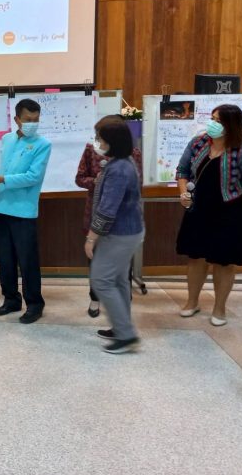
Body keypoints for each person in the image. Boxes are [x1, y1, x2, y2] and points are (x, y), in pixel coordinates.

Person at [176, 105, 242, 326]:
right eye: (212, 118)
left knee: (224, 261)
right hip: (198, 208)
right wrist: (183, 193)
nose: (212, 124)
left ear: (231, 125)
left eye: (218, 121)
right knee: (195, 257)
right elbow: (183, 170)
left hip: (231, 212)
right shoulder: (198, 143)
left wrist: (236, 188)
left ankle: (219, 309)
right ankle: (192, 302)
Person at [0, 99, 52, 324]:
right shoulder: (8, 139)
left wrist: (0, 178)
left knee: (27, 261)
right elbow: (7, 169)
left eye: (36, 119)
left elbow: (33, 177)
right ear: (17, 119)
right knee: (5, 259)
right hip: (2, 207)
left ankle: (35, 304)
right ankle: (11, 299)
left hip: (23, 212)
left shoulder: (43, 144)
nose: (32, 124)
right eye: (28, 119)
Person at [85, 119, 145, 354]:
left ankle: (126, 335)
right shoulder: (122, 162)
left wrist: (91, 238)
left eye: (100, 139)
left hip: (119, 234)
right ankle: (122, 327)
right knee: (118, 280)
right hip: (128, 231)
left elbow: (107, 209)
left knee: (101, 280)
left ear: (112, 141)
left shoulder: (119, 169)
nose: (98, 143)